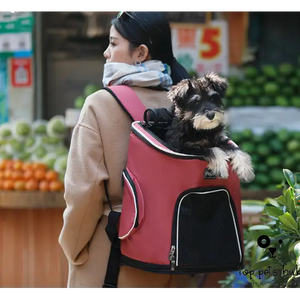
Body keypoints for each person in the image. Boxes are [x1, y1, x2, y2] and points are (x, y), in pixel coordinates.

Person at [59, 9, 203, 291]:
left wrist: (73, 248)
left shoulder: (100, 105)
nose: (105, 52)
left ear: (140, 53)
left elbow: (83, 194)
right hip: (177, 260)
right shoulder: (190, 105)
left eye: (113, 43)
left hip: (113, 260)